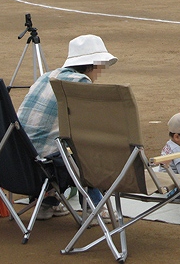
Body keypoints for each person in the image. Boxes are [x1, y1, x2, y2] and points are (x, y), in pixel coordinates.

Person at [17, 34, 118, 220]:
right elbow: (89, 131)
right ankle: (95, 207)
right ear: (93, 65)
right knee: (87, 149)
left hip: (18, 160)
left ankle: (47, 203)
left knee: (60, 142)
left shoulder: (46, 77)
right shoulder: (80, 84)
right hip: (46, 165)